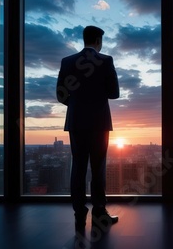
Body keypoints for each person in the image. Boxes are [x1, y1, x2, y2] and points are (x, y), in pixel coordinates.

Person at [56, 25, 120, 233]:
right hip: (99, 123)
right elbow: (114, 93)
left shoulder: (67, 61)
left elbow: (61, 95)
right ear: (99, 41)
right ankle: (99, 212)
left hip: (76, 122)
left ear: (84, 40)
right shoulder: (106, 60)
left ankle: (79, 213)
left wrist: (76, 105)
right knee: (98, 167)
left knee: (78, 167)